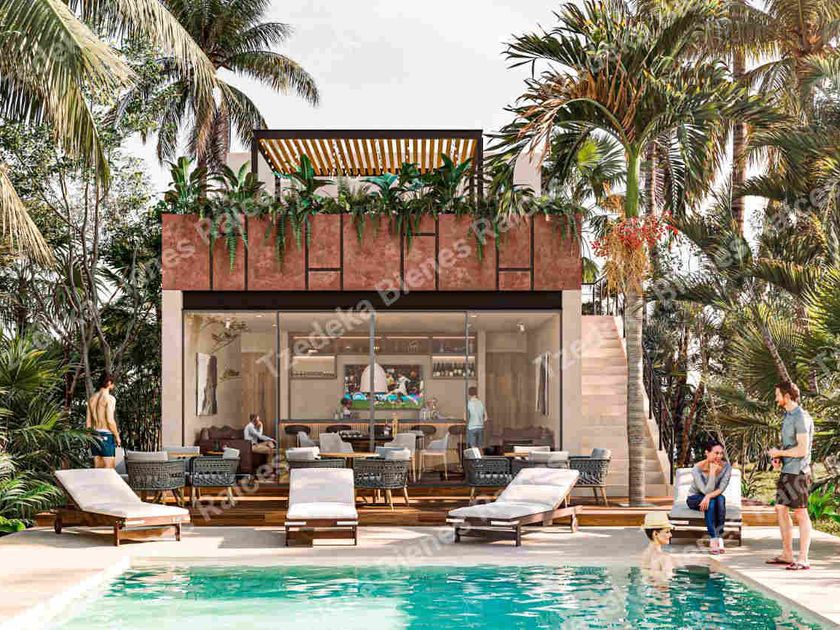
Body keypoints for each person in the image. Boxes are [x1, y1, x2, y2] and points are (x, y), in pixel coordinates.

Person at [766, 381, 814, 571]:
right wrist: (779, 458)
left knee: (801, 513)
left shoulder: (801, 417)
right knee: (780, 509)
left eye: (778, 395)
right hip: (787, 470)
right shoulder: (788, 416)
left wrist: (779, 452)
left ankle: (803, 559)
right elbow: (790, 447)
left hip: (799, 472)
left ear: (787, 396)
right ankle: (787, 554)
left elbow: (802, 450)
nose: (776, 398)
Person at [686, 439, 731, 554]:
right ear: (707, 453)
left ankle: (719, 537)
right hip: (694, 498)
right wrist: (712, 472)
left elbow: (721, 489)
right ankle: (714, 538)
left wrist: (707, 497)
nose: (719, 456)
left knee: (721, 499)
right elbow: (705, 490)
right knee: (713, 501)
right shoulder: (697, 468)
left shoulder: (726, 467)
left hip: (713, 497)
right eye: (716, 453)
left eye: (721, 453)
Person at [86, 373, 120, 469]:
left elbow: (88, 422)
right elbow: (110, 420)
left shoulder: (91, 399)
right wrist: (117, 436)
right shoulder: (110, 399)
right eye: (113, 383)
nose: (114, 385)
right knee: (109, 471)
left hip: (94, 436)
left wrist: (89, 438)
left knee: (98, 470)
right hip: (106, 435)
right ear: (109, 383)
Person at [640, 512, 676, 580]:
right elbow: (666, 582)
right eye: (667, 532)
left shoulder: (645, 555)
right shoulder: (664, 558)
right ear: (655, 534)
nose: (670, 535)